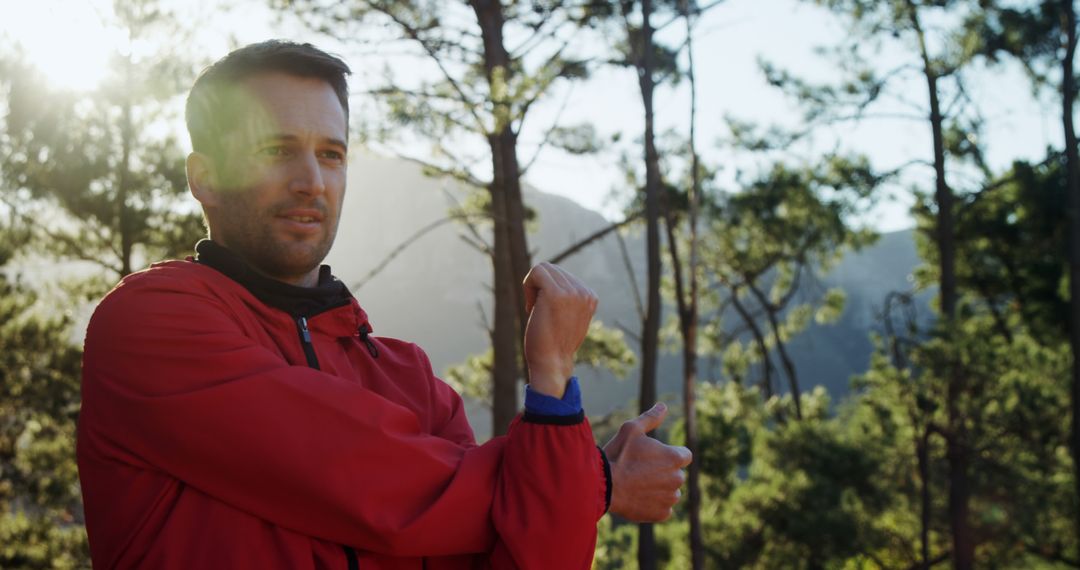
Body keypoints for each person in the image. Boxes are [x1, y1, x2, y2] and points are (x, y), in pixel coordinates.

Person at [76, 40, 691, 570]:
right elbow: (371, 481)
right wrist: (593, 481)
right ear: (204, 177)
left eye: (332, 154)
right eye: (275, 149)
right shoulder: (149, 323)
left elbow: (517, 553)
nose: (311, 180)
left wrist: (553, 387)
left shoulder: (411, 381)